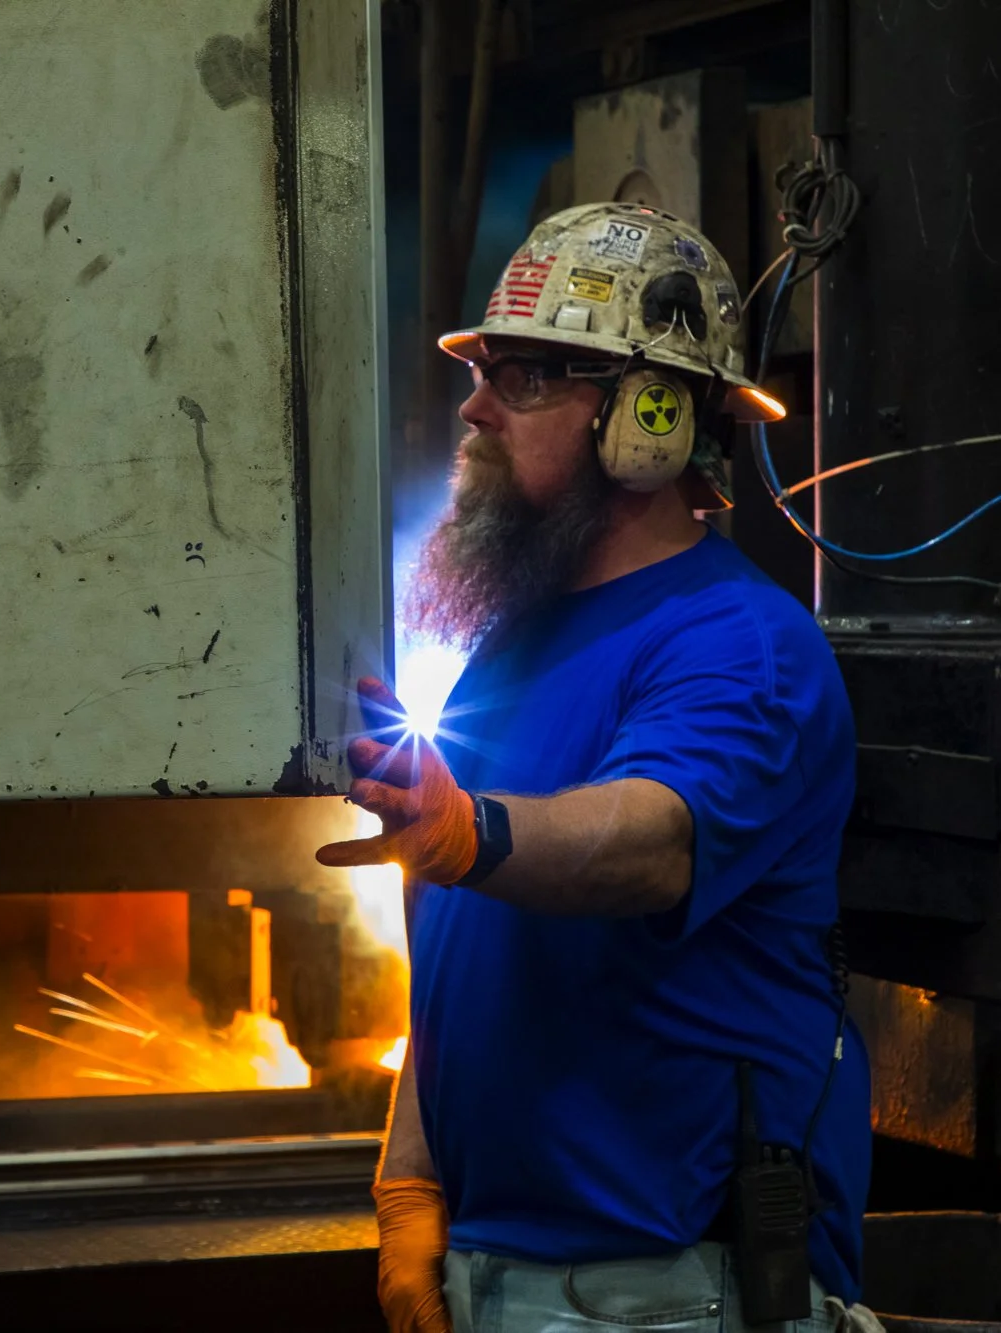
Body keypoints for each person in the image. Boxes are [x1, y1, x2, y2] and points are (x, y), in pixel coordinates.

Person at [317, 203, 872, 1333]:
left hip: (668, 1293)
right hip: (505, 1273)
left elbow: (649, 841)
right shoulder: (511, 643)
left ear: (649, 418)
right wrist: (410, 1181)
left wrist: (477, 833)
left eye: (523, 378)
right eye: (484, 372)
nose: (472, 406)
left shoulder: (739, 644)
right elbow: (457, 948)